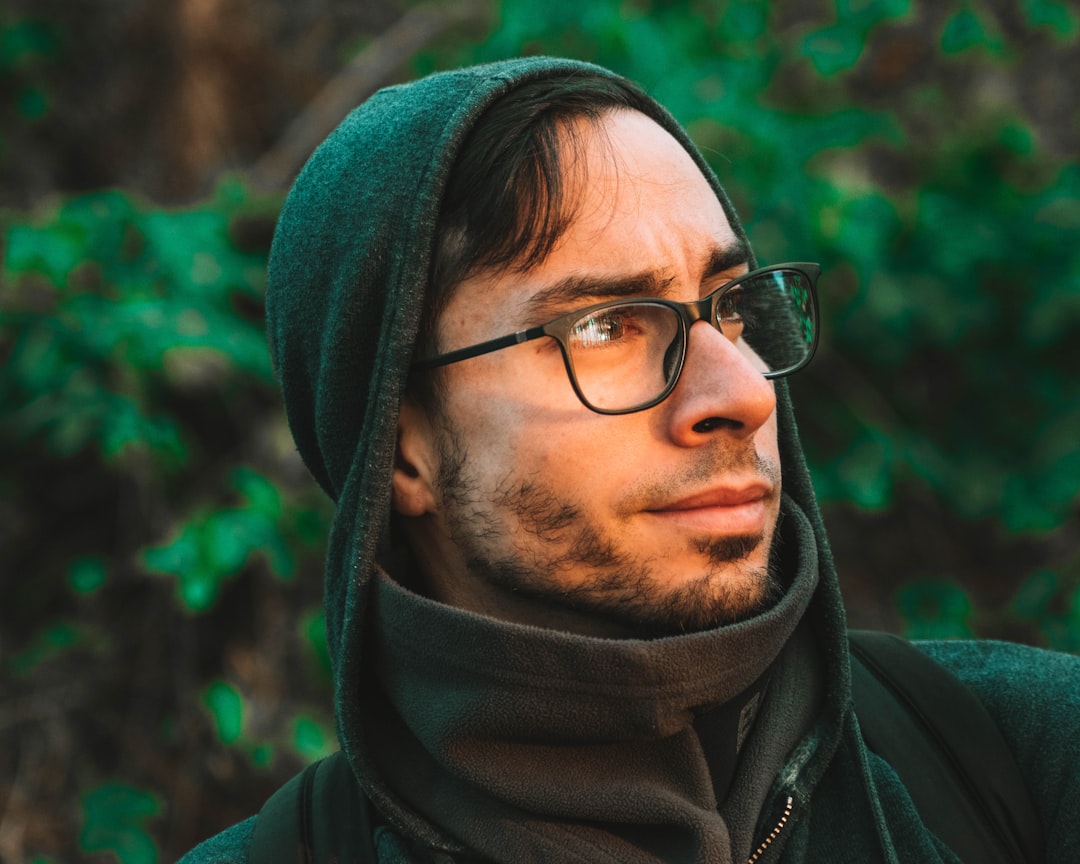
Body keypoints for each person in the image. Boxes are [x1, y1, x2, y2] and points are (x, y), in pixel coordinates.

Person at [180, 56, 1079, 863]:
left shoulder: (1024, 759)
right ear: (401, 444)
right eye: (605, 325)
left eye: (729, 305)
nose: (744, 393)